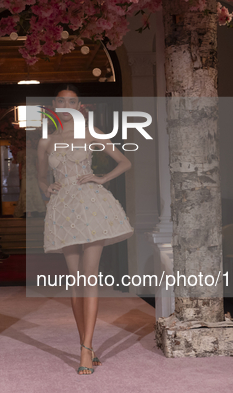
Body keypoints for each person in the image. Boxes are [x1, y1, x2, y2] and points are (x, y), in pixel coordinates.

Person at [37, 85, 134, 375]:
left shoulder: (92, 133)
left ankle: (85, 348)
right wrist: (47, 187)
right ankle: (85, 343)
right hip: (63, 209)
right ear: (54, 104)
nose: (66, 105)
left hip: (92, 206)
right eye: (61, 100)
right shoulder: (46, 141)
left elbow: (125, 161)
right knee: (75, 280)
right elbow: (41, 178)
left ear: (79, 105)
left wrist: (102, 179)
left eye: (72, 101)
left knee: (89, 278)